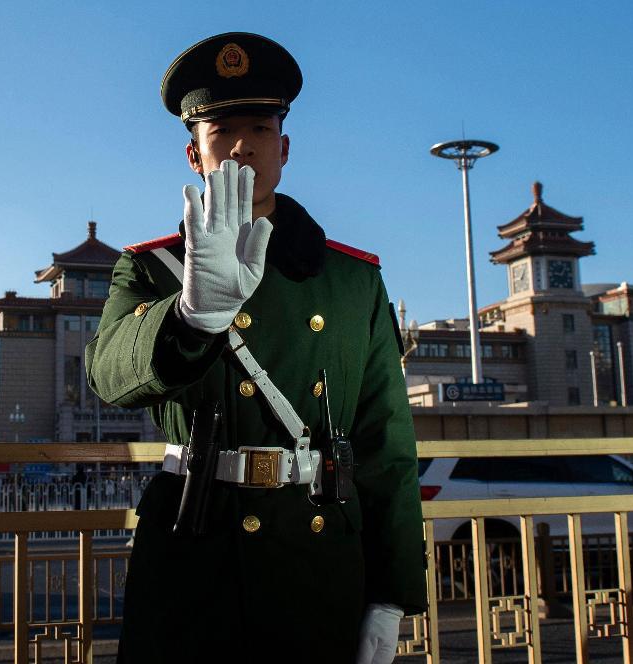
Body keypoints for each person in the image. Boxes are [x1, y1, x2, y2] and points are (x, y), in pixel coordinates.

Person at [86, 32, 426, 663]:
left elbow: (386, 446)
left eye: (261, 128)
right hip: (192, 551)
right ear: (195, 154)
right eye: (222, 130)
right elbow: (108, 375)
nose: (243, 144)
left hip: (314, 552)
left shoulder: (350, 280)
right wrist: (191, 315)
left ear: (285, 147)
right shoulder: (153, 268)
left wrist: (392, 593)